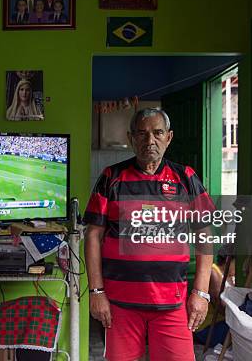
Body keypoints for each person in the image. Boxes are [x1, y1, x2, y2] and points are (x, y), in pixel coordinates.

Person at [84, 107, 215, 361]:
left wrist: (201, 292)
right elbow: (93, 236)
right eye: (142, 134)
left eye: (157, 133)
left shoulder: (185, 177)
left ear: (169, 137)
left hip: (172, 303)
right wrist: (96, 292)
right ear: (131, 137)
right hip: (120, 305)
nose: (150, 141)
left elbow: (205, 233)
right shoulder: (111, 177)